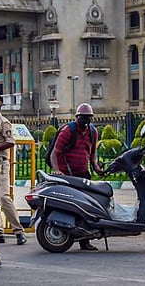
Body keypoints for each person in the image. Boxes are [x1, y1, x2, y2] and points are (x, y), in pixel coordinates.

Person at [49, 102, 103, 251]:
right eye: (82, 118)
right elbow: (55, 153)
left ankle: (85, 241)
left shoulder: (93, 132)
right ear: (77, 117)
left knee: (87, 206)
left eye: (88, 118)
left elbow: (92, 154)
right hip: (67, 174)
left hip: (83, 173)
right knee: (74, 206)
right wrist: (57, 170)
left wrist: (96, 166)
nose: (85, 121)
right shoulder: (68, 130)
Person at [0, 93, 27, 246]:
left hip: (1, 162)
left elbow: (10, 142)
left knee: (3, 197)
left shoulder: (4, 123)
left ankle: (18, 230)